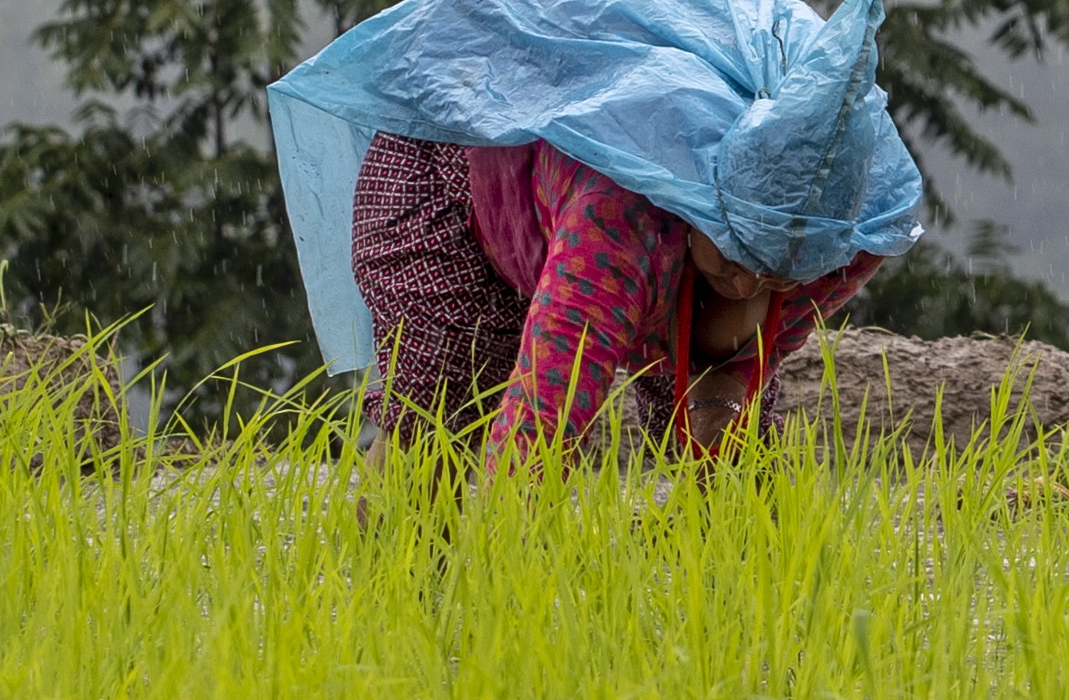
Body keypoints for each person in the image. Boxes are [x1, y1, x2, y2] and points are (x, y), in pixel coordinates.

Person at [350, 131, 883, 467]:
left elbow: (735, 375)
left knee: (738, 457)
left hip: (620, 245)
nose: (748, 284)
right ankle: (390, 617)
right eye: (736, 257)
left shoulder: (833, 245)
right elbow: (535, 432)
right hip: (446, 185)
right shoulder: (618, 234)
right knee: (435, 431)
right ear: (699, 211)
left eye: (776, 274)